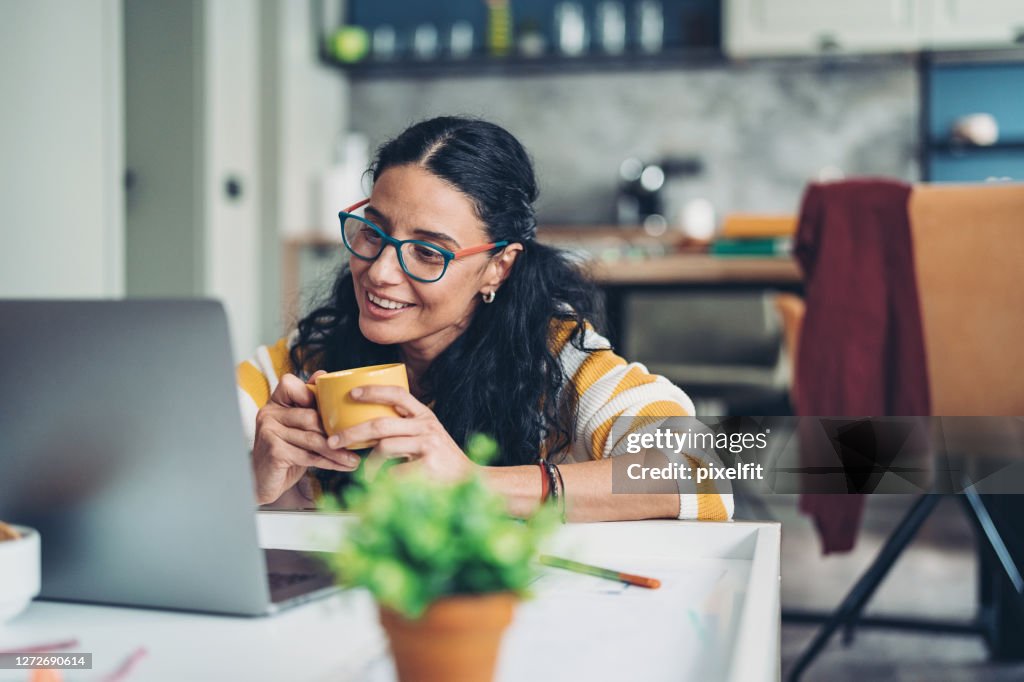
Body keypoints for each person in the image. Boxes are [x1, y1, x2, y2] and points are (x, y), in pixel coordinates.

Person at [237, 116, 732, 522]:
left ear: (498, 266)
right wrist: (250, 480)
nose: (381, 272)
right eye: (373, 233)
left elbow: (701, 468)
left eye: (429, 252)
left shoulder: (558, 362)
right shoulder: (307, 360)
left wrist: (474, 482)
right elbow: (168, 474)